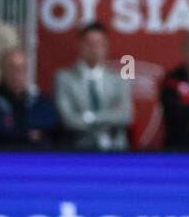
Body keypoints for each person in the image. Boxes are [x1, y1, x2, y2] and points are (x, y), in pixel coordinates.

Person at [53, 22, 132, 150]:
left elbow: (125, 116)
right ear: (80, 45)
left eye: (99, 44)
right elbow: (68, 119)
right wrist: (109, 116)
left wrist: (89, 116)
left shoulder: (119, 80)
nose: (94, 48)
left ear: (106, 46)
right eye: (89, 44)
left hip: (116, 150)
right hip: (79, 149)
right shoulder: (64, 79)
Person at [0, 48, 58, 147]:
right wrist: (26, 134)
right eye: (11, 67)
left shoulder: (39, 99)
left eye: (22, 68)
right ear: (2, 69)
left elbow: (50, 123)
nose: (17, 72)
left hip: (34, 156)